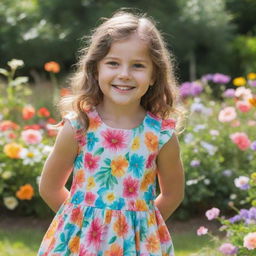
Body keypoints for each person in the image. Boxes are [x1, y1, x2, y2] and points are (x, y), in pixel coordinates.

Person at [38, 9, 186, 256]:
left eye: (138, 65)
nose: (124, 74)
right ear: (96, 69)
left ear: (153, 76)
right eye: (113, 63)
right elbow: (50, 187)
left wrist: (142, 226)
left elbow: (172, 194)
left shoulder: (160, 135)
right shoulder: (79, 127)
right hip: (81, 242)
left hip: (138, 246)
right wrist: (80, 222)